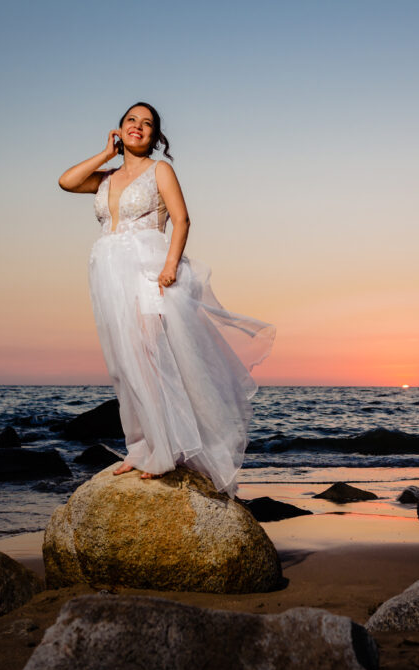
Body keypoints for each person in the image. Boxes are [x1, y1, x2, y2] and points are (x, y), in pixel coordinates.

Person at [57, 103, 274, 497]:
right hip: (108, 274)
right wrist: (107, 153)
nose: (138, 127)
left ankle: (166, 450)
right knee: (124, 362)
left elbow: (182, 219)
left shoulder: (160, 170)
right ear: (119, 130)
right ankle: (141, 447)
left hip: (148, 269)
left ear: (156, 136)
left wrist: (170, 267)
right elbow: (67, 181)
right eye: (131, 122)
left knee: (151, 355)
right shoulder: (106, 177)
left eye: (147, 124)